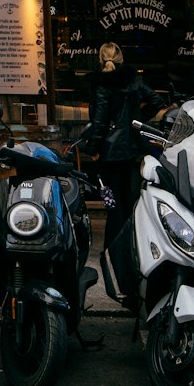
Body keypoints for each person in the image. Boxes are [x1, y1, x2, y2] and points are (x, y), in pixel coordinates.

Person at [81, 42, 162, 247]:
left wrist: (94, 148)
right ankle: (130, 241)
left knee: (109, 195)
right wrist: (137, 121)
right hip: (133, 148)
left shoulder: (102, 85)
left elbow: (99, 121)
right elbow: (157, 101)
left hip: (109, 151)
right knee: (128, 196)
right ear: (121, 59)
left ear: (101, 59)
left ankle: (113, 243)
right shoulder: (134, 82)